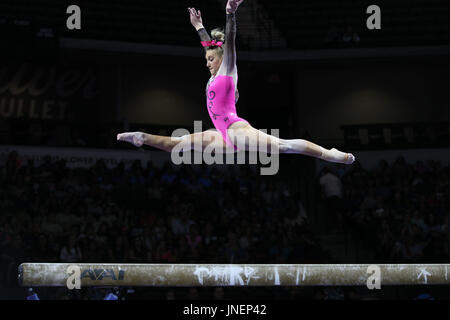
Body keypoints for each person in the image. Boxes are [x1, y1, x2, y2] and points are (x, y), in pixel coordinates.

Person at [117, 0, 355, 165]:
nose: (207, 63)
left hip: (235, 130)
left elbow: (228, 41)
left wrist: (230, 13)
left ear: (222, 60)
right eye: (206, 59)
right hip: (222, 134)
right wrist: (199, 27)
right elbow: (209, 46)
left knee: (284, 146)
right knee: (180, 143)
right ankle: (142, 138)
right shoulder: (213, 74)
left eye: (211, 59)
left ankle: (328, 154)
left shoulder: (228, 70)